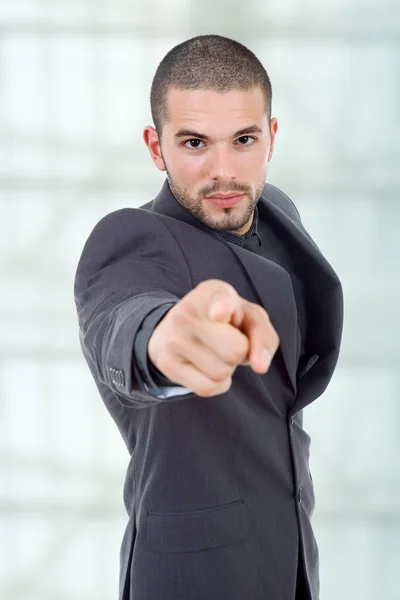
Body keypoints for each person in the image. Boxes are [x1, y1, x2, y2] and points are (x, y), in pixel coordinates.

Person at [74, 34, 343, 600]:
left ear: (271, 137)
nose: (224, 171)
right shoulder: (134, 238)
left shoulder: (278, 212)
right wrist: (165, 343)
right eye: (195, 142)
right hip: (191, 577)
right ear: (156, 147)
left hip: (291, 560)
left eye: (243, 139)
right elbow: (125, 322)